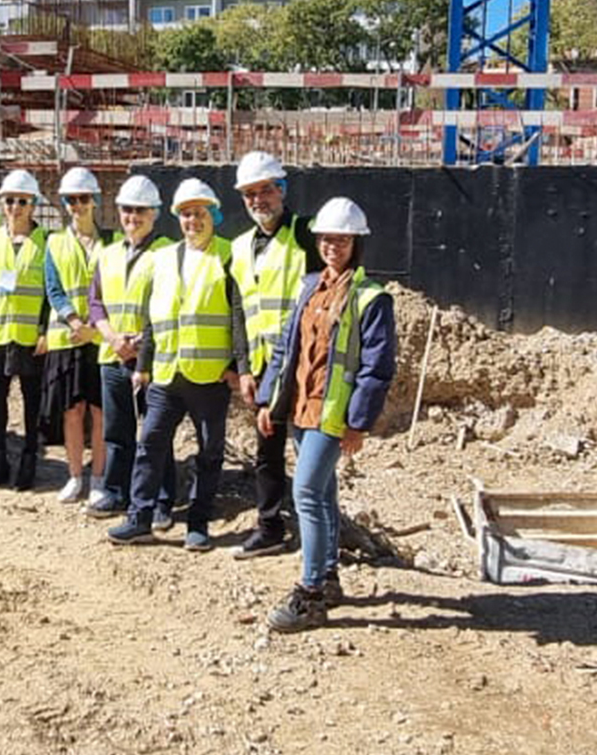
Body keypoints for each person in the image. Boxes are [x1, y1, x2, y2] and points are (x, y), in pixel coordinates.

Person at [257, 197, 395, 633]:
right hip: (301, 407)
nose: (332, 245)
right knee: (324, 493)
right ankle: (330, 577)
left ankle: (312, 594)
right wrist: (268, 399)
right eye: (326, 238)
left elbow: (377, 368)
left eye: (341, 238)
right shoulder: (310, 286)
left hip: (331, 414)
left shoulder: (370, 298)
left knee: (307, 496)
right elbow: (286, 348)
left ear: (356, 242)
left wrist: (358, 422)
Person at [109, 178, 252, 551]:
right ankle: (140, 518)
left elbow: (239, 317)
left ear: (213, 216)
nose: (192, 221)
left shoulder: (227, 256)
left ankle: (198, 523)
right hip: (166, 376)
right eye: (186, 214)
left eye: (199, 213)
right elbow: (155, 318)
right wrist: (143, 364)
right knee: (150, 445)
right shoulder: (164, 259)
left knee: (209, 453)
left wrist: (240, 367)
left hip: (209, 377)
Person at [227, 151, 323, 561]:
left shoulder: (305, 233)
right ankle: (270, 526)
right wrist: (245, 368)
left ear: (281, 189)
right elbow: (239, 310)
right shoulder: (240, 246)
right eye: (250, 193)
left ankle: (316, 530)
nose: (258, 200)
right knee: (267, 449)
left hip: (303, 361)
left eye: (265, 190)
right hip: (265, 364)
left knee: (308, 447)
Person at [80, 177, 171, 521]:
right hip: (112, 355)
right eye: (127, 209)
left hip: (153, 359)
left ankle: (161, 501)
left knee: (155, 434)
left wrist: (142, 344)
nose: (133, 216)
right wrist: (113, 338)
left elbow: (170, 304)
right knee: (117, 432)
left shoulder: (167, 253)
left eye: (141, 210)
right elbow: (96, 302)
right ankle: (117, 492)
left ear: (155, 213)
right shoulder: (109, 253)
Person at [41, 167, 110, 504]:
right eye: (71, 200)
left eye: (83, 199)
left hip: (101, 340)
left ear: (94, 201)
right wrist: (74, 323)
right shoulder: (54, 242)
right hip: (68, 338)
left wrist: (95, 328)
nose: (77, 205)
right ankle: (74, 476)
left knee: (99, 411)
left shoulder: (111, 242)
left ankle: (98, 477)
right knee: (72, 410)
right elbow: (53, 289)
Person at [0, 170, 50, 488]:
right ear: (1, 204)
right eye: (9, 201)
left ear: (33, 205)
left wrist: (47, 330)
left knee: (32, 401)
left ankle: (30, 458)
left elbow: (51, 291)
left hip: (31, 337)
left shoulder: (48, 241)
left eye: (22, 201)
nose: (15, 207)